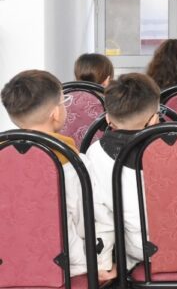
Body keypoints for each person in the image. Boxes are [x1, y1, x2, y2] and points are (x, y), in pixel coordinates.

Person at [86, 73, 177, 273]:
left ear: (108, 118)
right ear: (155, 118)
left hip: (142, 249)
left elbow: (101, 216)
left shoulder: (94, 154)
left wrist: (104, 263)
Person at [1, 70, 114, 283]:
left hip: (6, 271)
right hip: (66, 271)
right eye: (64, 101)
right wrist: (101, 264)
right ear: (55, 113)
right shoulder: (74, 163)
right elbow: (90, 221)